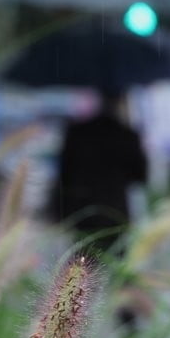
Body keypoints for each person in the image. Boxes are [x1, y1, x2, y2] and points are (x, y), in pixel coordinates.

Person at [55, 93, 147, 254]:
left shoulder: (77, 133)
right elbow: (140, 176)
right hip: (115, 209)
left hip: (82, 207)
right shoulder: (128, 135)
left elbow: (64, 174)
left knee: (83, 265)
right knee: (117, 265)